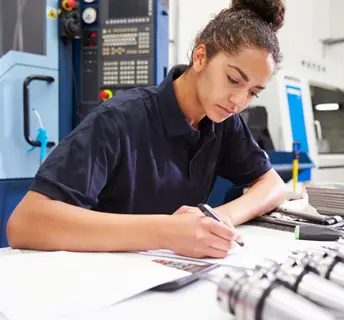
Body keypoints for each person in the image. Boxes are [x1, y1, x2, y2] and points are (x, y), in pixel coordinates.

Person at [7, 0, 288, 258]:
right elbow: (26, 222)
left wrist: (219, 217)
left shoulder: (224, 123)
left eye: (253, 92)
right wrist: (167, 231)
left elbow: (273, 185)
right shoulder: (120, 119)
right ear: (201, 57)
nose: (238, 101)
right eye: (233, 79)